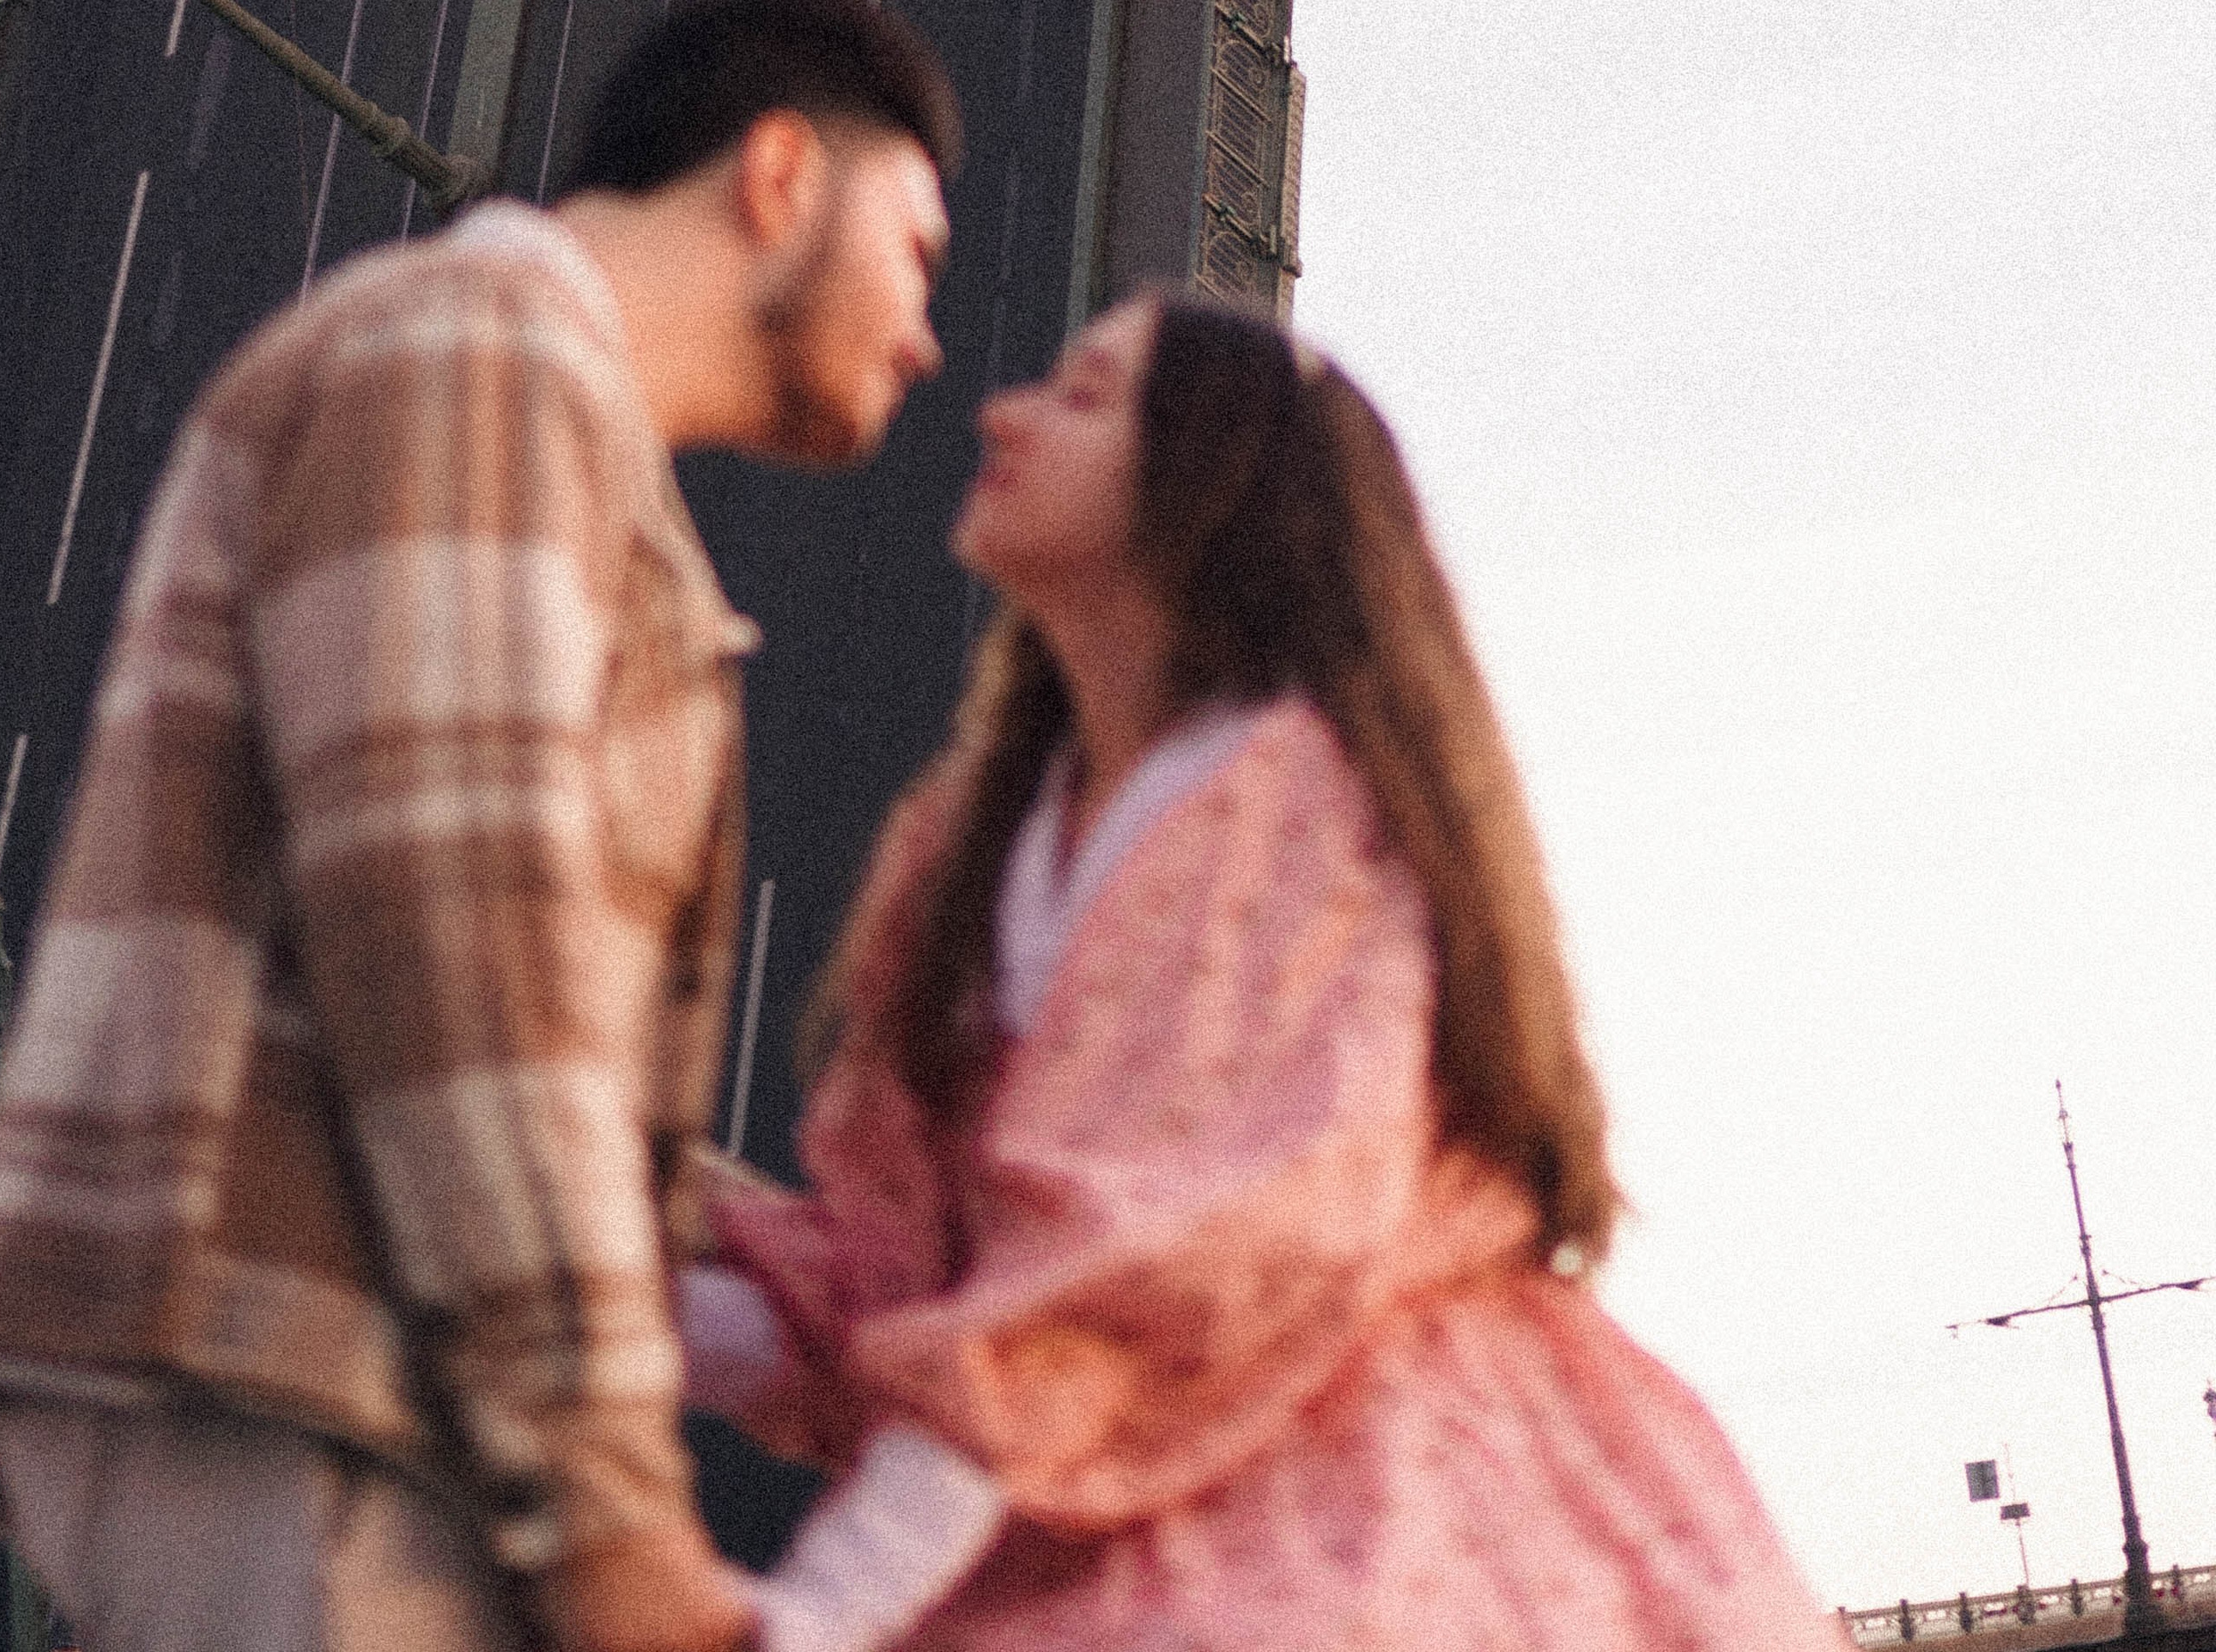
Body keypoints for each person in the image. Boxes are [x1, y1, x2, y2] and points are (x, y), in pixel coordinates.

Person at [0, 0, 961, 1652]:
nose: (925, 335)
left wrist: (796, 1274)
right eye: (915, 253)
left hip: (341, 1371)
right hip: (306, 1379)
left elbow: (483, 978)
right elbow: (457, 953)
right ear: (780, 175)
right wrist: (609, 1507)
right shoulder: (480, 356)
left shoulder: (540, 418)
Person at [682, 290, 1837, 1652]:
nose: (999, 411)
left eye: (1086, 397)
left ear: (1205, 488)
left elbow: (1161, 1260)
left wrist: (823, 1612)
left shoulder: (1287, 803)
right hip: (1102, 1486)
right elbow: (916, 1277)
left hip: (1379, 1478)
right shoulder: (966, 841)